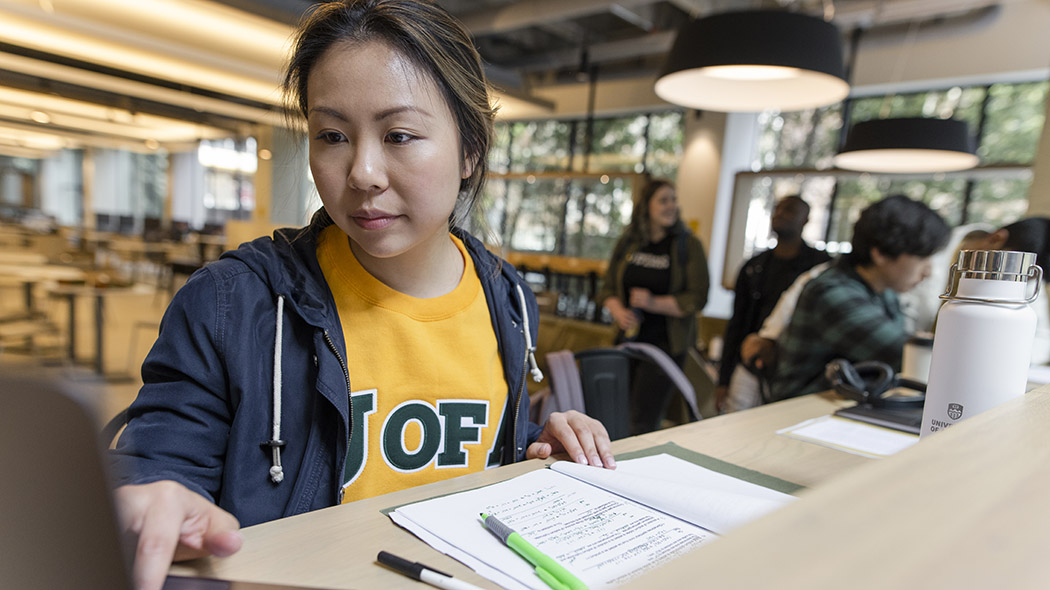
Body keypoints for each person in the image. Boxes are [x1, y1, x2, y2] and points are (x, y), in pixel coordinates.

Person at [110, 3, 615, 589]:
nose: (362, 172)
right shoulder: (234, 303)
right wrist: (151, 497)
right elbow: (161, 461)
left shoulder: (506, 297)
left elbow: (476, 445)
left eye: (399, 135)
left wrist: (536, 444)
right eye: (332, 135)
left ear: (470, 151)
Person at [769, 195, 950, 400]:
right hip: (797, 410)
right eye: (922, 258)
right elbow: (906, 356)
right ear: (881, 253)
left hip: (844, 403)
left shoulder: (885, 291)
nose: (928, 271)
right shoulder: (832, 293)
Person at [597, 178, 710, 434]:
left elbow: (698, 298)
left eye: (673, 200)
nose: (671, 206)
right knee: (614, 412)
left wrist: (653, 303)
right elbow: (607, 288)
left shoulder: (688, 245)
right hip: (627, 341)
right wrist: (618, 310)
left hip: (665, 346)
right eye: (663, 200)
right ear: (646, 206)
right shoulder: (629, 242)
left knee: (642, 420)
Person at [716, 195, 830, 412]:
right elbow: (737, 324)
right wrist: (723, 379)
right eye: (777, 209)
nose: (780, 215)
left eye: (789, 210)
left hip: (796, 369)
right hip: (750, 363)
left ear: (805, 220)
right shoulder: (754, 266)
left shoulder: (819, 268)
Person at [977, 217, 1050, 364]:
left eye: (1030, 278)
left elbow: (1042, 340)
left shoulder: (1028, 279)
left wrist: (1004, 356)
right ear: (996, 239)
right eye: (1013, 270)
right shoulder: (930, 246)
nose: (1017, 282)